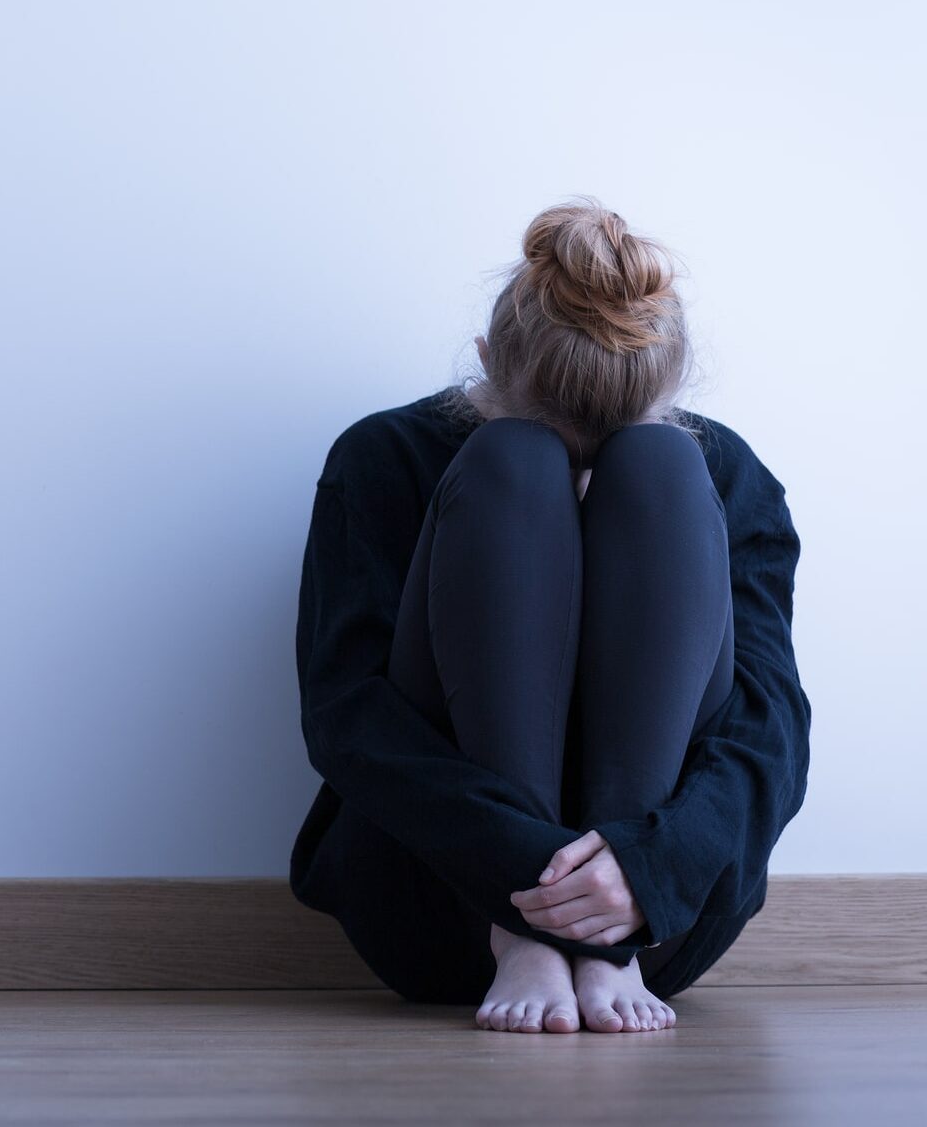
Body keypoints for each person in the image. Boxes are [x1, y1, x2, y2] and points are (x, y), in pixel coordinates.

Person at [288, 198, 812, 1034]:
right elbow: (347, 713)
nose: (580, 482)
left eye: (604, 451)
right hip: (434, 904)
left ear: (670, 389)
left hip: (653, 922)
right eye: (564, 445)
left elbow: (771, 721)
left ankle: (601, 945)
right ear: (485, 368)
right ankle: (526, 937)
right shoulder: (384, 458)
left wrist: (645, 867)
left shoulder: (723, 474)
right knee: (506, 463)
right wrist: (521, 881)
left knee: (667, 475)